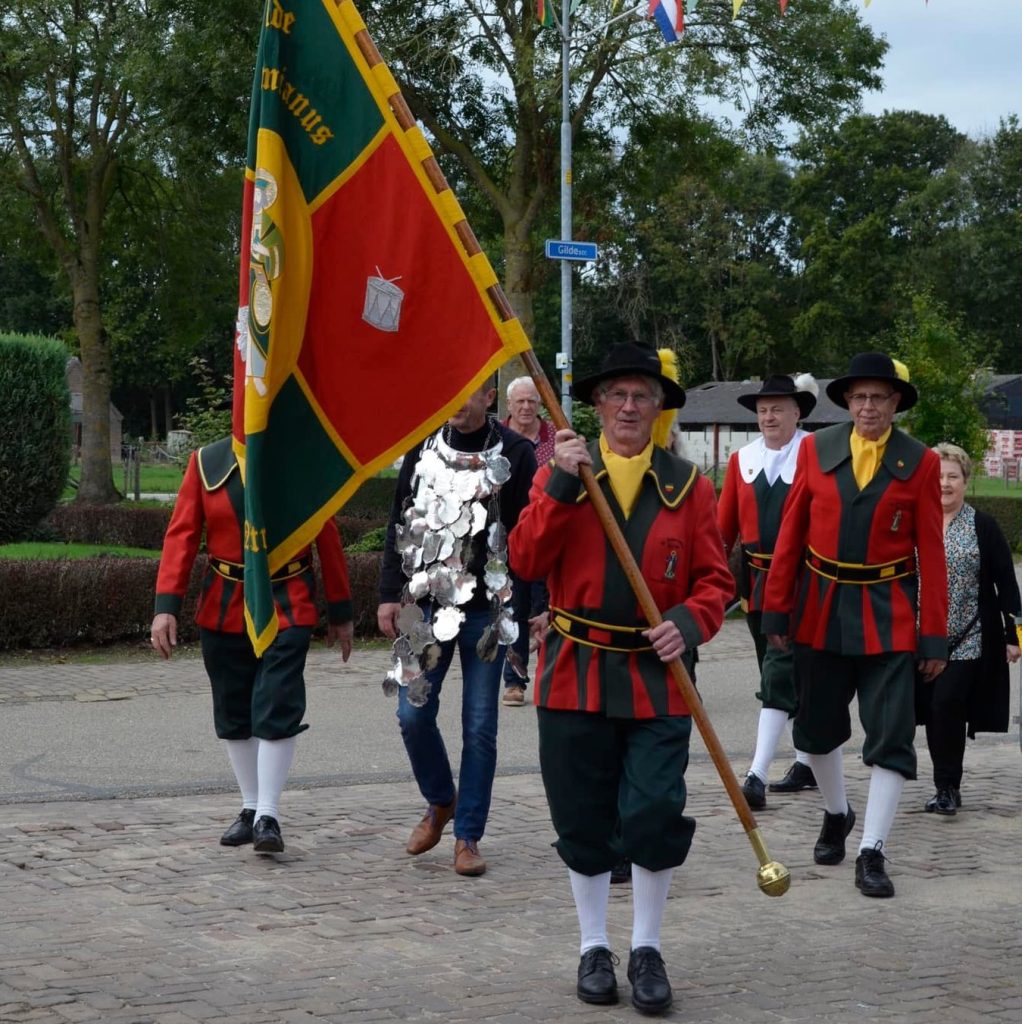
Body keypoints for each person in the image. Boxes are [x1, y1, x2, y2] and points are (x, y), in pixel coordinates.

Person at [509, 342, 733, 1014]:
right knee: (582, 817)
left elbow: (717, 583)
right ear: (598, 406)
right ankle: (591, 947)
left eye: (642, 395)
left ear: (659, 408)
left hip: (658, 676)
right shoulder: (563, 473)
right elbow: (525, 559)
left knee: (653, 811)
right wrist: (558, 483)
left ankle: (647, 946)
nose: (630, 406)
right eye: (617, 395)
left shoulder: (690, 488)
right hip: (574, 670)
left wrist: (689, 624)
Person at [762, 352, 947, 899]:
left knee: (891, 734)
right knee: (815, 730)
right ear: (846, 401)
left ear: (896, 404)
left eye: (880, 398)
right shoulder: (816, 450)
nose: (869, 406)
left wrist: (932, 634)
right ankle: (837, 812)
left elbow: (931, 554)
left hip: (889, 609)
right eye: (860, 397)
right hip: (819, 605)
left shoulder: (921, 461)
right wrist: (777, 607)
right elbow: (790, 534)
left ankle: (873, 849)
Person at [151, 436, 353, 854]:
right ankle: (249, 807)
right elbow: (182, 535)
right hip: (224, 602)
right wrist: (165, 606)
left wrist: (340, 610)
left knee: (277, 701)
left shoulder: (302, 459)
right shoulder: (206, 462)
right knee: (232, 706)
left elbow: (326, 534)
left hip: (288, 601)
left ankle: (268, 814)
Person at [378, 380, 536, 877]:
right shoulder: (423, 448)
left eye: (466, 392)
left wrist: (538, 607)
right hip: (425, 606)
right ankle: (440, 800)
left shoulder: (516, 452)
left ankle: (467, 835)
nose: (455, 401)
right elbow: (399, 521)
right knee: (411, 715)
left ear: (489, 399)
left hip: (490, 612)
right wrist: (388, 592)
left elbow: (532, 534)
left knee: (480, 727)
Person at [717, 374, 819, 811]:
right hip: (757, 584)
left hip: (803, 583)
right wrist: (713, 580)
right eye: (762, 410)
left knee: (780, 674)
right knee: (775, 673)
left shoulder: (815, 456)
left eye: (778, 408)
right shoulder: (742, 460)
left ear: (798, 411)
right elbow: (722, 530)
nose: (769, 416)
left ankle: (756, 775)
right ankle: (806, 762)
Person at [917, 443, 1021, 814]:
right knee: (931, 711)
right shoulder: (916, 521)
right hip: (921, 638)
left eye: (952, 476)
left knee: (948, 705)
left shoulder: (983, 525)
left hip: (969, 636)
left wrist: (1014, 637)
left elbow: (1007, 584)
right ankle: (939, 781)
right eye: (937, 476)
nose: (944, 483)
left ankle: (948, 788)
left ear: (965, 480)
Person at [500, 376, 556, 707]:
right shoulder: (497, 440)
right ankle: (514, 682)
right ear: (509, 405)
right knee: (513, 609)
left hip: (549, 537)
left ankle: (551, 678)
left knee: (549, 607)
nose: (525, 407)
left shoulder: (555, 439)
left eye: (531, 401)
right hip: (510, 539)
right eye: (519, 401)